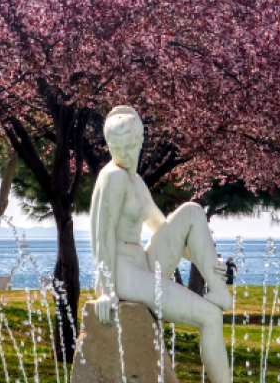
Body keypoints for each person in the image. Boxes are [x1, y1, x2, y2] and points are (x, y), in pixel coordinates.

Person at [89, 106, 232, 383]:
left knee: (191, 211)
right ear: (109, 147)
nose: (125, 155)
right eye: (117, 149)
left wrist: (209, 264)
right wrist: (107, 291)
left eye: (131, 147)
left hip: (141, 263)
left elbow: (163, 228)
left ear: (141, 142)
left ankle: (219, 290)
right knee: (210, 318)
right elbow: (101, 235)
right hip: (123, 274)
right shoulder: (113, 177)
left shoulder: (137, 181)